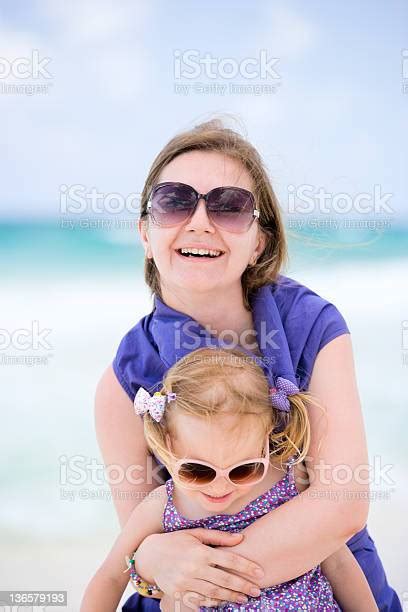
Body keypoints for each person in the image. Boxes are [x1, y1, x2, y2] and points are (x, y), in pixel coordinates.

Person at [95, 119, 401, 610]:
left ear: (259, 239)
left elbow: (341, 504)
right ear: (145, 234)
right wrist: (151, 564)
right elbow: (142, 547)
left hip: (326, 589)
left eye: (229, 206)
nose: (199, 221)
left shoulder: (312, 326)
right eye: (174, 201)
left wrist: (206, 586)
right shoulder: (122, 382)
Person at [82, 347, 378, 611]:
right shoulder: (162, 507)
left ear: (264, 443)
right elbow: (111, 575)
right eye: (198, 471)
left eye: (243, 469)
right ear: (170, 444)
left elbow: (337, 562)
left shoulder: (289, 483)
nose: (221, 487)